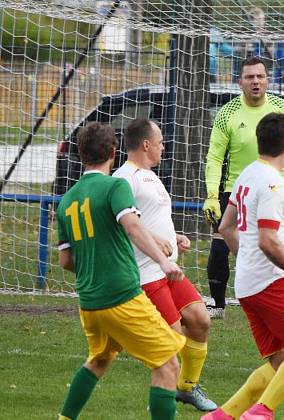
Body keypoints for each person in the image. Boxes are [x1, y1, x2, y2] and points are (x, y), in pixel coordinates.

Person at [56, 122, 186, 420]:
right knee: (168, 364)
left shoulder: (66, 201)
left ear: (80, 154)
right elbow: (133, 226)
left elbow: (65, 261)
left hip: (90, 303)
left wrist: (96, 264)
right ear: (114, 153)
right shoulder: (116, 186)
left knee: (99, 360)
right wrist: (164, 262)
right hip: (122, 297)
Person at [206, 113, 284, 420]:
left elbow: (226, 227)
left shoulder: (247, 174)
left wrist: (246, 257)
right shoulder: (275, 184)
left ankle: (223, 416)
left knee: (281, 360)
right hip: (269, 283)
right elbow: (268, 241)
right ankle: (261, 412)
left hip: (247, 283)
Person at [111, 119, 217, 412]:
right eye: (159, 142)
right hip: (145, 273)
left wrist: (173, 237)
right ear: (146, 144)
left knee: (200, 320)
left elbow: (147, 217)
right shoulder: (124, 178)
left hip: (168, 268)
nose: (163, 147)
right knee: (172, 341)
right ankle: (163, 397)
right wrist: (156, 240)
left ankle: (186, 388)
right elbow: (122, 223)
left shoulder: (150, 176)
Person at [203, 56, 284, 319]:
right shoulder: (227, 113)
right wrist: (213, 196)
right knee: (219, 244)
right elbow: (215, 157)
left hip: (276, 188)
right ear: (240, 82)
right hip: (238, 188)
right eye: (250, 77)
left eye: (260, 76)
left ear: (267, 80)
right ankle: (217, 305)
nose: (256, 82)